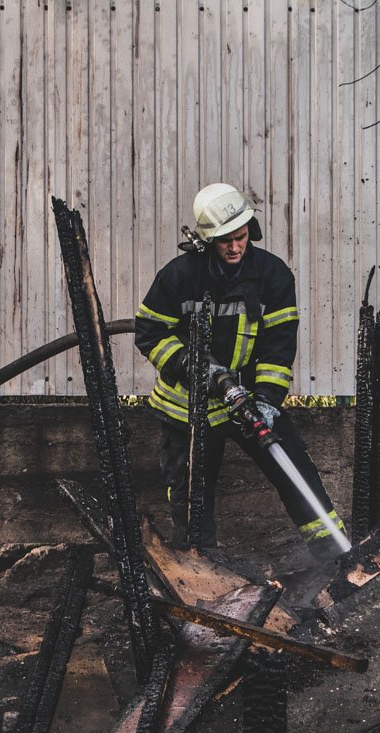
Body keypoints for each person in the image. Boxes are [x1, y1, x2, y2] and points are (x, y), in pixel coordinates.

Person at [134, 183, 349, 563]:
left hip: (248, 400)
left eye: (242, 237)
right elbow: (150, 333)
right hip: (188, 409)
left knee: (295, 469)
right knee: (192, 497)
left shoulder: (273, 276)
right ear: (205, 241)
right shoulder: (179, 277)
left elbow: (278, 348)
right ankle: (203, 573)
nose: (235, 247)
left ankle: (337, 557)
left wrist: (265, 402)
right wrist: (197, 368)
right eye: (225, 241)